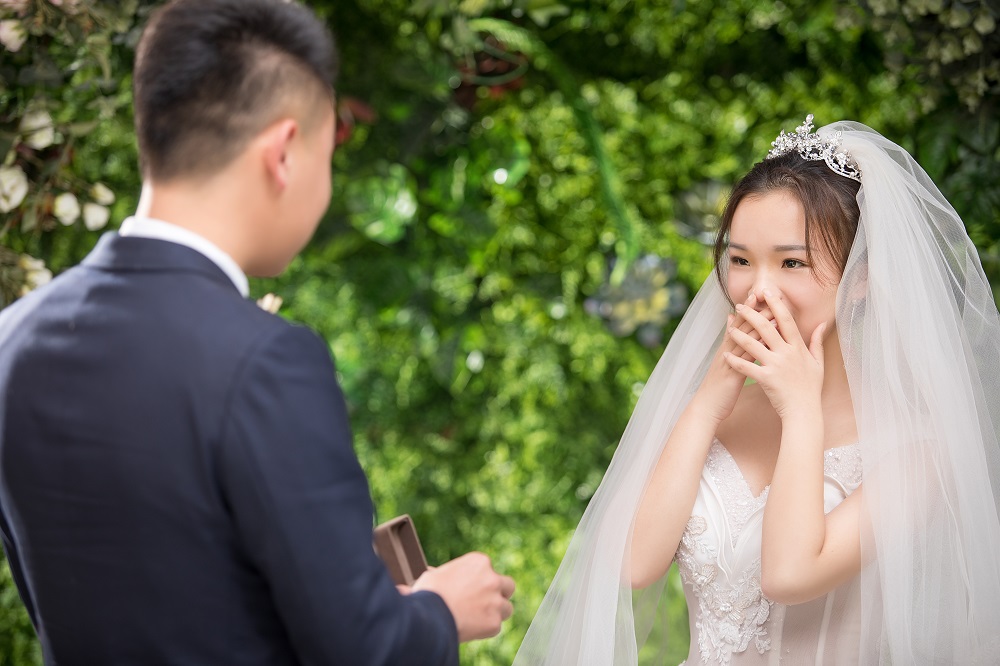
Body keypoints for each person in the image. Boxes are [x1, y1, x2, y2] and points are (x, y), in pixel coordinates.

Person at [0, 0, 514, 664]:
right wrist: (441, 610)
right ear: (284, 153)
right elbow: (366, 650)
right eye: (328, 154)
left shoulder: (14, 340)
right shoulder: (265, 358)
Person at [514, 116, 1000, 664]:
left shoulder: (919, 450)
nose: (758, 290)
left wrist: (801, 411)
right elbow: (630, 566)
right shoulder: (714, 415)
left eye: (792, 262)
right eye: (741, 260)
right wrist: (708, 403)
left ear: (861, 276)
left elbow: (790, 575)